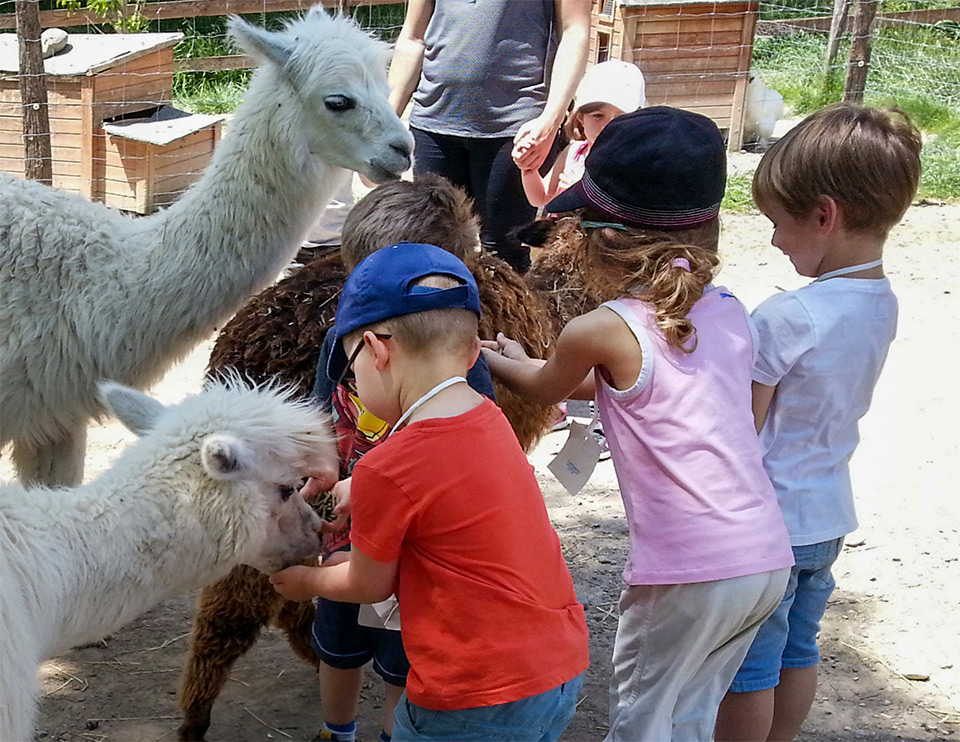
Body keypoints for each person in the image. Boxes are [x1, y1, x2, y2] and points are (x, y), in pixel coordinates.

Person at [481, 107, 795, 742]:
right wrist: (539, 365)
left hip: (685, 573)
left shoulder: (600, 328)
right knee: (692, 713)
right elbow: (644, 385)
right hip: (764, 558)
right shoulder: (730, 311)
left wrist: (500, 358)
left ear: (596, 235)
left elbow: (549, 386)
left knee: (642, 719)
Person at [271, 242, 590, 742]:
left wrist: (308, 582)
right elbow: (445, 495)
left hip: (472, 692)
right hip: (557, 669)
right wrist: (369, 488)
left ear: (377, 353)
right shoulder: (489, 420)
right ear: (469, 351)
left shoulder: (390, 466)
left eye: (351, 366)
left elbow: (367, 586)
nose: (351, 379)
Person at [714, 104, 923, 742]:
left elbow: (739, 429)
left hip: (768, 521)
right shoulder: (881, 303)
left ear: (824, 215)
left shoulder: (788, 316)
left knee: (747, 666)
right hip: (827, 514)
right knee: (799, 649)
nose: (775, 240)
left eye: (779, 223)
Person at [299, 177, 495, 742]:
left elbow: (466, 464)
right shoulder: (344, 340)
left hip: (417, 543)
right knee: (337, 642)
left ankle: (392, 733)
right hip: (347, 526)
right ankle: (337, 730)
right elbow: (322, 409)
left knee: (403, 653)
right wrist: (325, 465)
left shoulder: (465, 367)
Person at [387, 0, 591, 273]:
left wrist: (551, 120)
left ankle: (505, 316)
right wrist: (386, 123)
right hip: (433, 122)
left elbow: (575, 30)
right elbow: (412, 38)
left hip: (516, 127)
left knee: (505, 255)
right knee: (433, 246)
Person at [518, 59, 646, 208]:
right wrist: (529, 168)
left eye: (621, 117)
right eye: (598, 116)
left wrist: (583, 190)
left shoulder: (634, 159)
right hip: (566, 229)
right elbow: (541, 199)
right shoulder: (573, 153)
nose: (609, 125)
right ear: (581, 117)